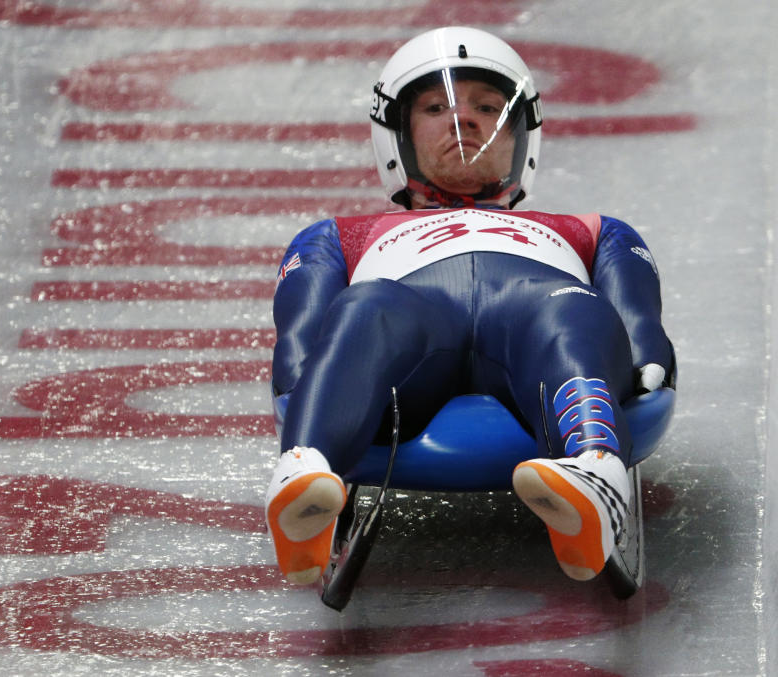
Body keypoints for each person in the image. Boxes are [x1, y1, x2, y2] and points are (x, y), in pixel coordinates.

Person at [264, 27, 674, 586]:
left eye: (487, 107)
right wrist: (297, 379)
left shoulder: (590, 230)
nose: (464, 122)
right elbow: (301, 324)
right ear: (397, 134)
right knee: (367, 305)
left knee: (571, 307)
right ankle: (307, 472)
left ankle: (593, 469)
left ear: (521, 134)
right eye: (436, 108)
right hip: (408, 315)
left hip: (534, 307)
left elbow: (635, 312)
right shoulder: (343, 234)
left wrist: (648, 358)